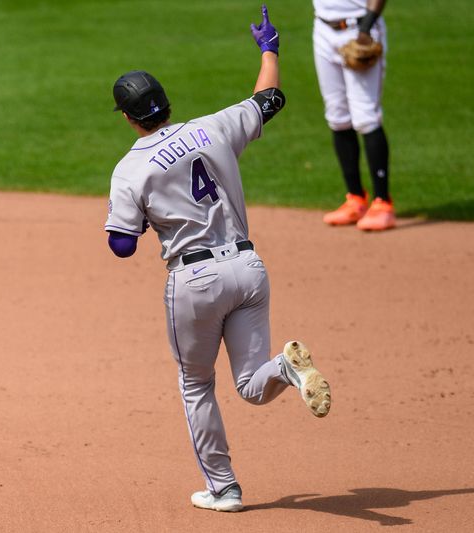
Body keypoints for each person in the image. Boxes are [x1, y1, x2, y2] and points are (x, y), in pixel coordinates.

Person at [104, 5, 331, 512]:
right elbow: (270, 99)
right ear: (166, 104)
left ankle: (224, 488)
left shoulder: (130, 170)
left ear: (126, 116)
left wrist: (145, 219)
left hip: (196, 281)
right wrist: (269, 47)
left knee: (195, 384)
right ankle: (288, 370)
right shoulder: (214, 126)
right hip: (249, 270)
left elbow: (120, 245)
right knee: (251, 384)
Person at [314, 0, 395, 230]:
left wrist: (366, 27)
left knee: (366, 117)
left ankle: (382, 203)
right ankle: (355, 198)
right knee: (337, 117)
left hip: (360, 30)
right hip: (322, 29)